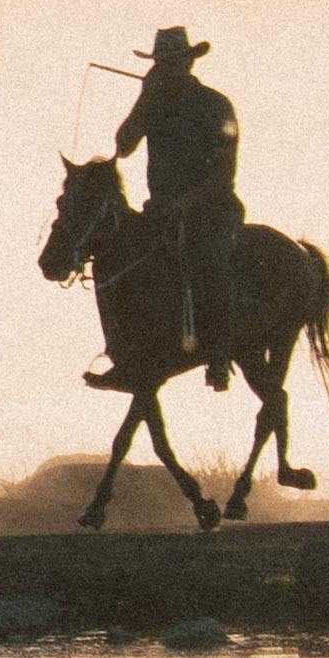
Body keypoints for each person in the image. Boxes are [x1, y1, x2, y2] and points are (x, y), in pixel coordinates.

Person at [97, 26, 242, 392]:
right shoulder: (154, 103)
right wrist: (143, 99)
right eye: (161, 64)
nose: (165, 69)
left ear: (188, 63)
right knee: (113, 261)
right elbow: (123, 145)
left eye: (171, 62)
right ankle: (125, 353)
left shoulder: (215, 106)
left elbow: (223, 174)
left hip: (212, 211)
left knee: (208, 261)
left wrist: (185, 203)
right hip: (160, 210)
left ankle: (219, 355)